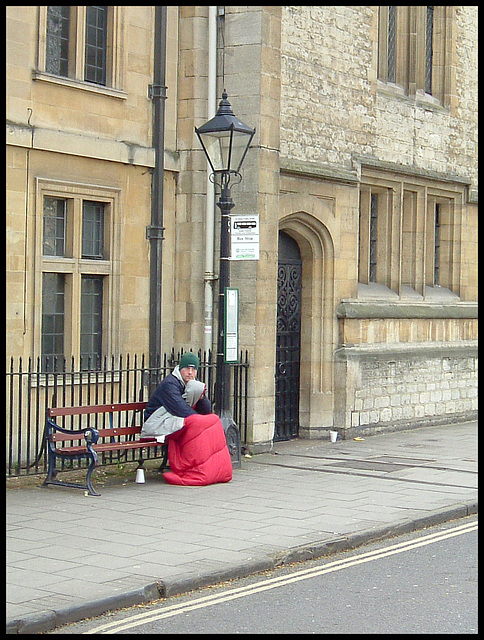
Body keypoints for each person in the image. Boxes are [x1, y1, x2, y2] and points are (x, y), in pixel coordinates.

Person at [140, 352, 211, 441]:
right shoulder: (170, 384)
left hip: (173, 419)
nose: (190, 372)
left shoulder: (193, 384)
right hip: (157, 422)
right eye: (187, 368)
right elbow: (180, 409)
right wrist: (199, 421)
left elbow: (206, 411)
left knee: (213, 421)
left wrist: (202, 398)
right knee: (195, 429)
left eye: (193, 369)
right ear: (180, 369)